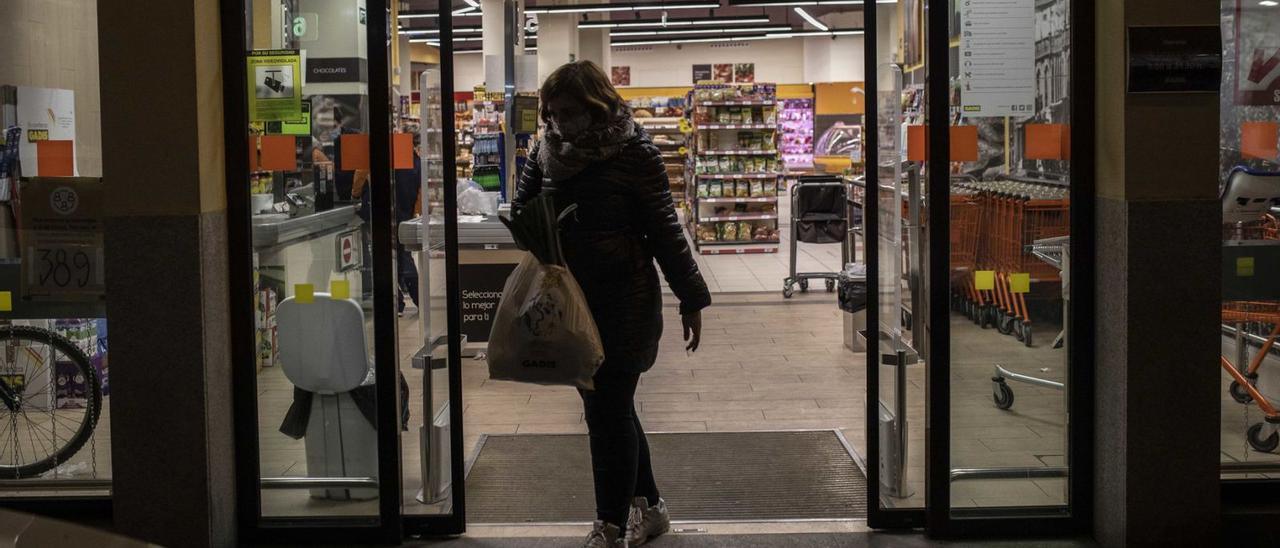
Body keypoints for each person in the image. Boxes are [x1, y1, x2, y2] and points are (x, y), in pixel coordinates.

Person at [513, 60, 712, 548]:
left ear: (596, 106)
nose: (559, 123)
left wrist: (691, 298)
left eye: (569, 112)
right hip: (571, 301)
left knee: (607, 413)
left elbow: (666, 230)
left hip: (626, 301)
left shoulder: (635, 153)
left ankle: (610, 524)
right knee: (610, 409)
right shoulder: (545, 151)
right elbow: (523, 210)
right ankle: (653, 509)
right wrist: (543, 225)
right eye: (552, 114)